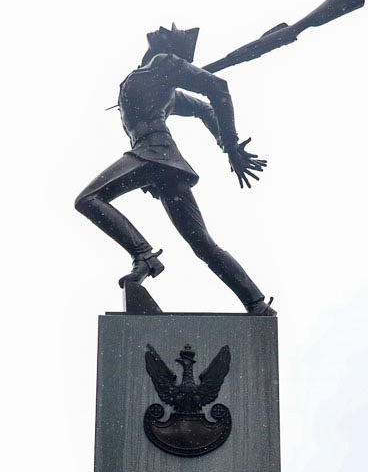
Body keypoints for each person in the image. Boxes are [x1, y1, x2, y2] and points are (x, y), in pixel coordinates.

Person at [74, 24, 272, 314]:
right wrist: (225, 143)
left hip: (152, 154)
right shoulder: (159, 81)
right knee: (203, 245)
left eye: (167, 32)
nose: (158, 30)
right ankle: (256, 303)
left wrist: (229, 145)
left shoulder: (162, 64)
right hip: (164, 164)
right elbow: (205, 107)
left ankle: (143, 255)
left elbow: (217, 90)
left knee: (88, 200)